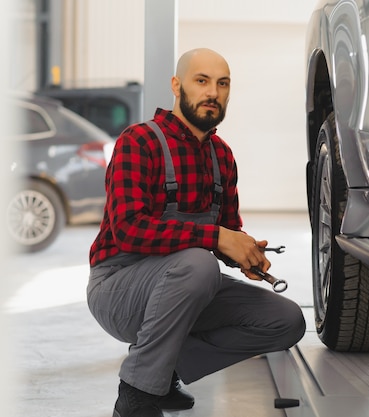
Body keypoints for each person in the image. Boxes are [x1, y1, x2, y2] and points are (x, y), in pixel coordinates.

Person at [86, 48, 306, 417]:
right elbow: (127, 230)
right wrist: (216, 239)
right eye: (201, 81)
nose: (212, 93)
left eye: (222, 84)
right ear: (177, 85)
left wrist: (244, 253)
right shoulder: (139, 142)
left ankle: (163, 368)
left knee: (285, 321)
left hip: (186, 286)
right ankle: (136, 393)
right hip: (118, 288)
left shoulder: (221, 156)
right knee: (199, 263)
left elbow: (227, 232)